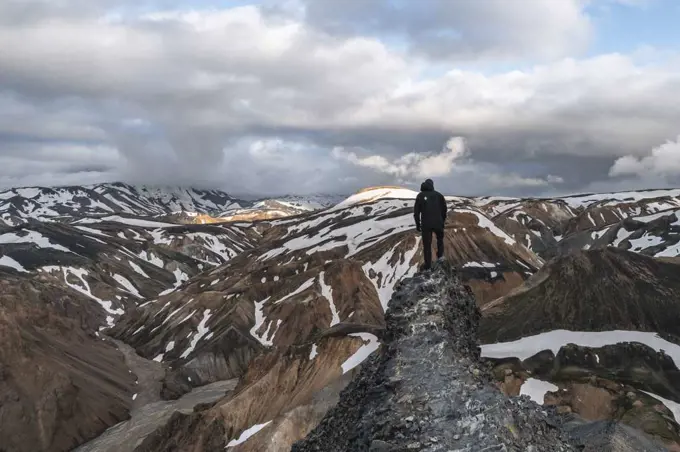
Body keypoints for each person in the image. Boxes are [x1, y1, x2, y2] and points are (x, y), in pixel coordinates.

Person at [413, 178, 447, 270]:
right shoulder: (439, 195)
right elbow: (444, 210)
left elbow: (416, 213)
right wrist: (442, 222)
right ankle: (440, 257)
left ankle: (428, 265)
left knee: (427, 245)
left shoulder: (420, 195)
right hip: (438, 223)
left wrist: (418, 225)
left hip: (426, 224)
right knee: (440, 239)